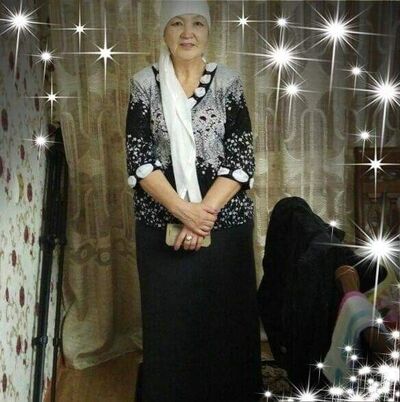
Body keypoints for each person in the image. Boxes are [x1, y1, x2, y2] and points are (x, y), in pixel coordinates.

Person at [125, 1, 263, 401]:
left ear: (208, 30)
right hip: (161, 226)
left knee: (227, 322)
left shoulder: (229, 82)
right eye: (177, 23)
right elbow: (139, 161)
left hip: (225, 224)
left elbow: (241, 160)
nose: (188, 33)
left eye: (198, 23)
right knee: (171, 324)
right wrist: (184, 211)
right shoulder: (143, 84)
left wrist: (202, 216)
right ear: (163, 31)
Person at [257, 196, 394, 388]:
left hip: (305, 360)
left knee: (290, 215)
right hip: (332, 334)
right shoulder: (324, 253)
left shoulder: (280, 272)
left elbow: (270, 307)